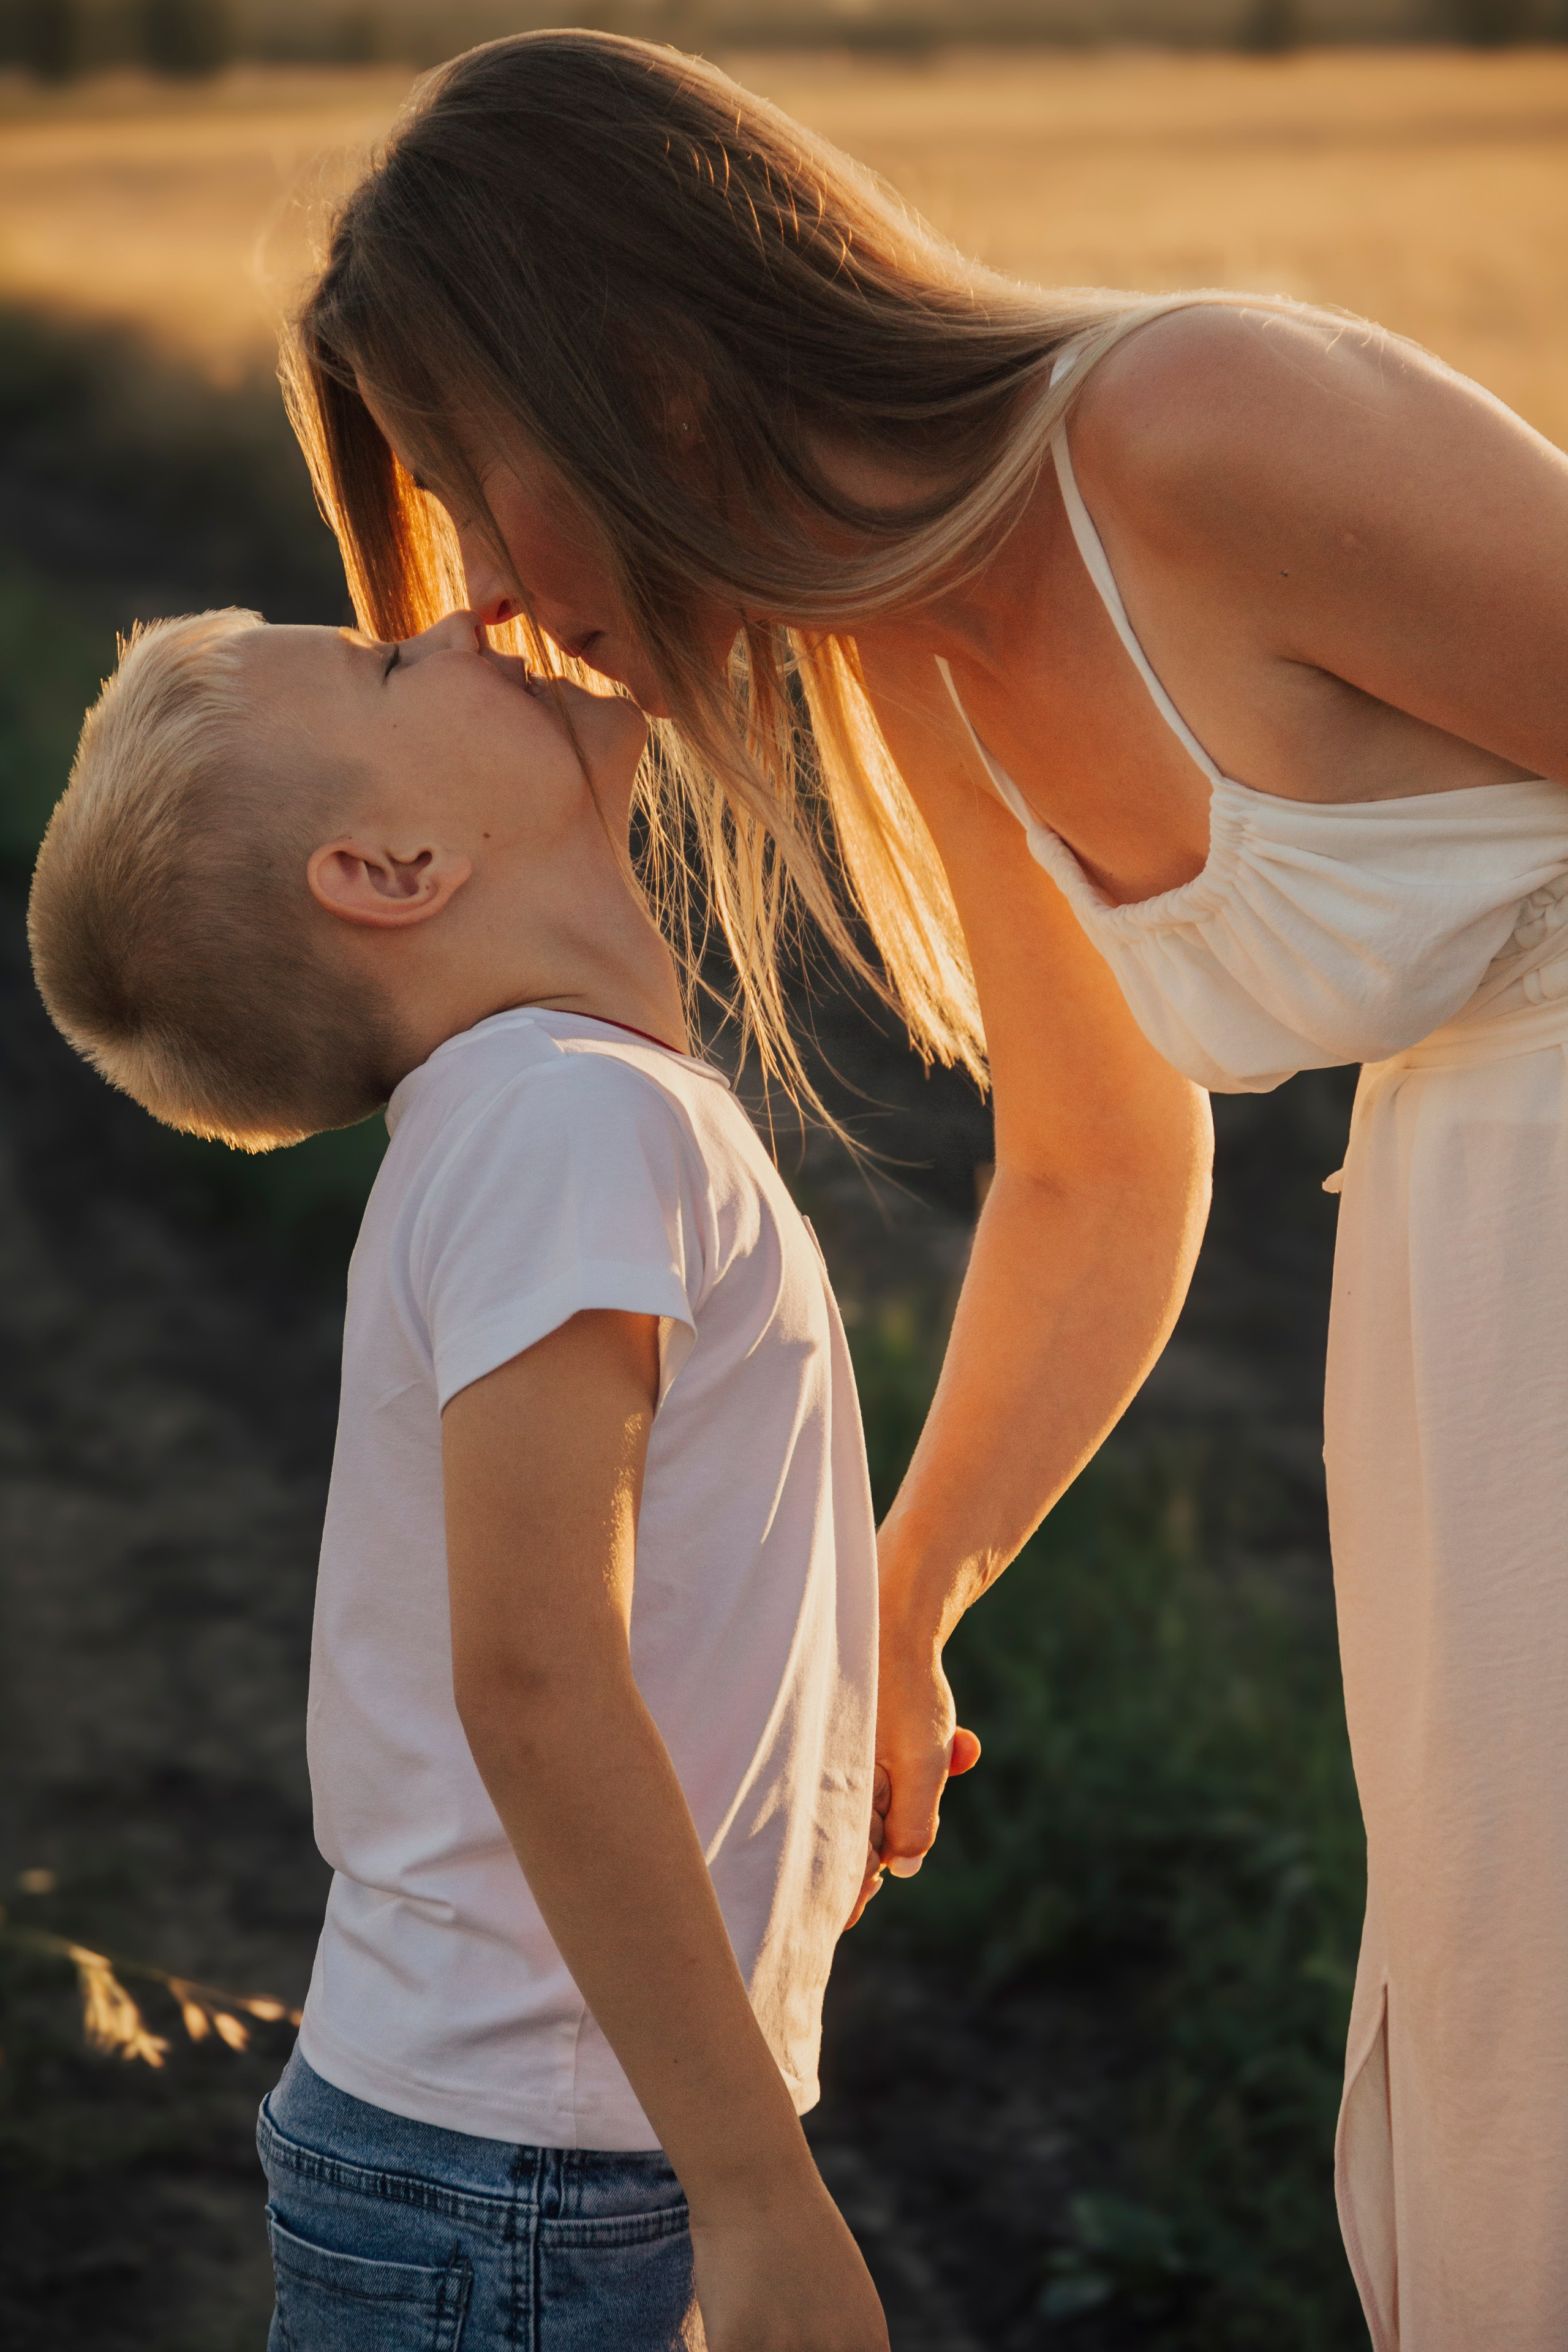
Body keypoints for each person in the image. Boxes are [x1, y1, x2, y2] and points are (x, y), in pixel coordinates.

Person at [282, 28, 1568, 2350]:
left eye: (466, 485)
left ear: (630, 369)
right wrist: (911, 1591)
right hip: (1476, 1340)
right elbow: (1096, 1161)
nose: (479, 592)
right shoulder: (929, 649)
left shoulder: (1185, 430)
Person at [28, 604, 894, 2352]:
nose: (446, 620)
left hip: (516, 2139)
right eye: (385, 667)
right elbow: (535, 1676)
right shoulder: (569, 1123)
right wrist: (756, 2195)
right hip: (533, 2169)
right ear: (395, 867)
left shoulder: (560, 1113)